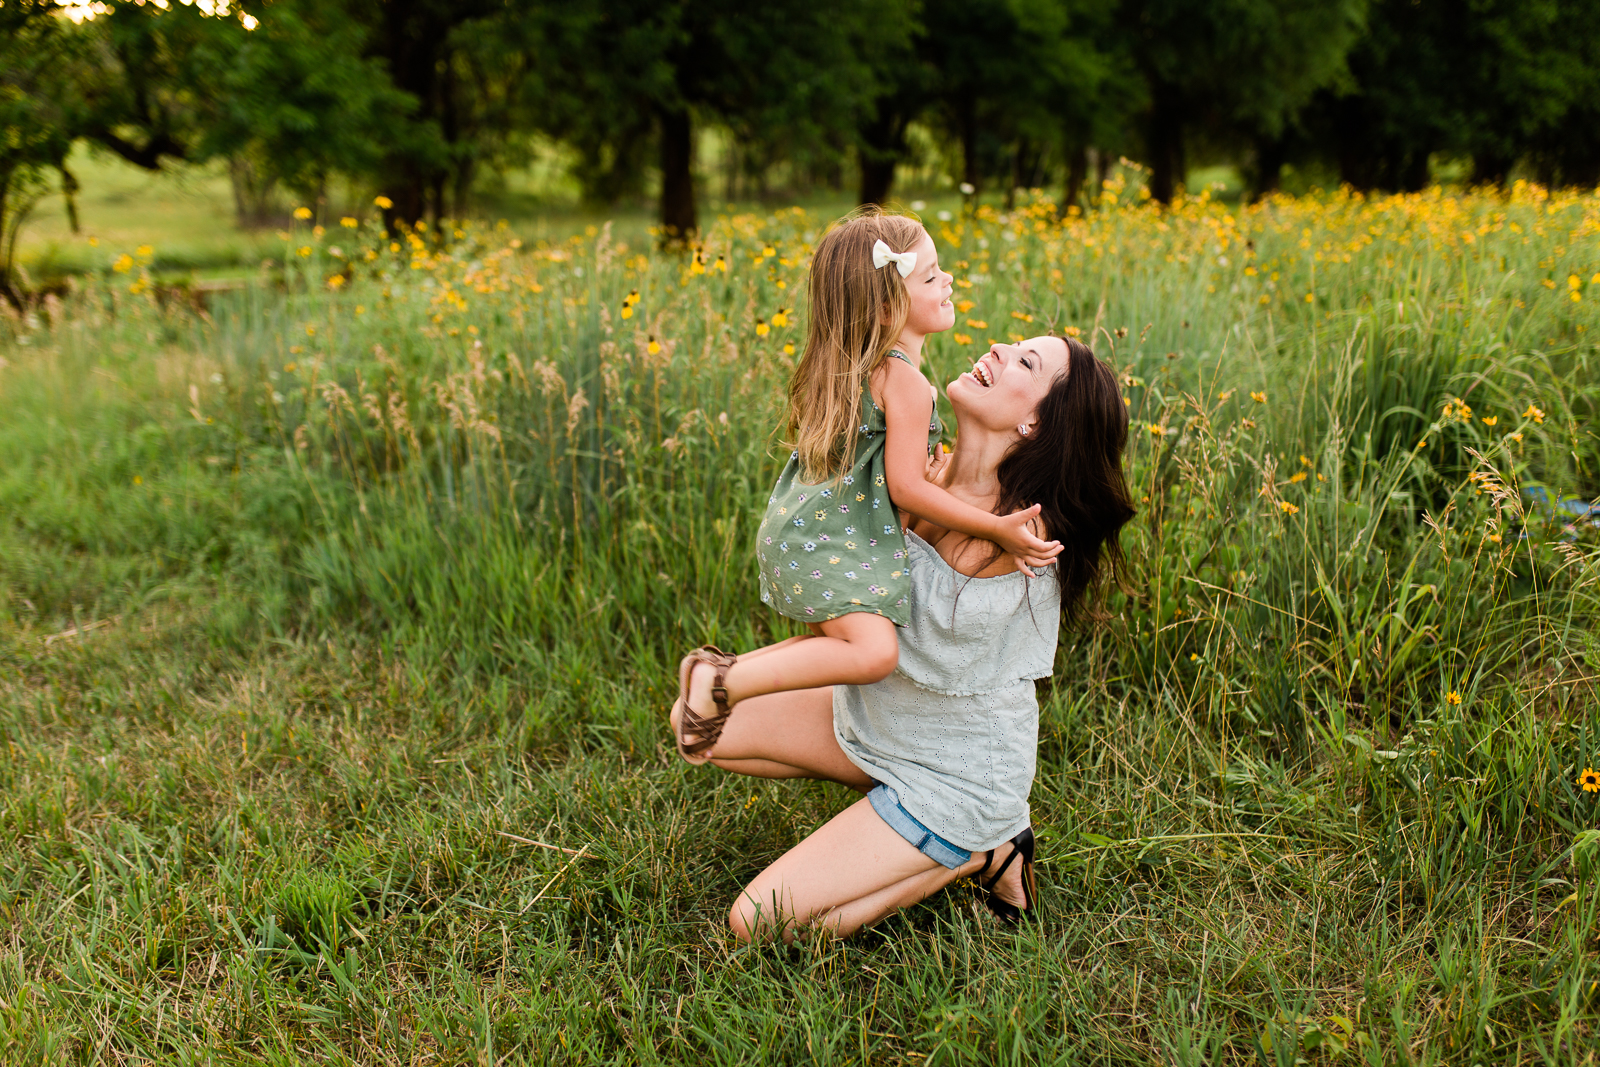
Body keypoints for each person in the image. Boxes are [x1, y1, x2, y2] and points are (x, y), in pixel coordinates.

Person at [672, 334, 1137, 941]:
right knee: (698, 725)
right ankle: (894, 812)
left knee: (753, 923)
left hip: (957, 775)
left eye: (1027, 361)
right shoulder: (920, 477)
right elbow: (834, 612)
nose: (998, 347)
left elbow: (854, 623)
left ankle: (981, 851)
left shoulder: (1016, 537)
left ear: (1036, 424)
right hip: (881, 728)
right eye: (1014, 342)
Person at [671, 208, 1061, 762]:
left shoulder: (868, 366)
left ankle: (722, 677)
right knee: (874, 654)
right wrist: (996, 526)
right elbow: (904, 490)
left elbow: (881, 472)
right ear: (887, 307)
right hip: (834, 539)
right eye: (929, 277)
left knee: (842, 645)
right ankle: (717, 680)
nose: (946, 280)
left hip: (806, 531)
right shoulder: (907, 382)